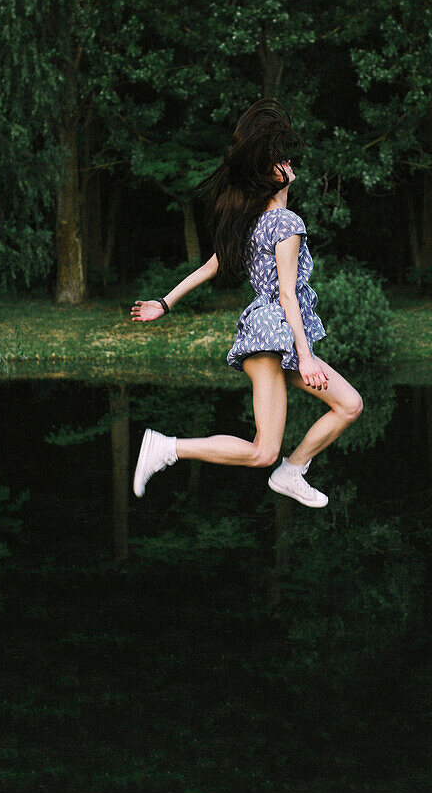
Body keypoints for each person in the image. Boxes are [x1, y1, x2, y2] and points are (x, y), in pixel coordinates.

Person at [130, 97, 364, 507]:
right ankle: (167, 448)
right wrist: (306, 357)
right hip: (275, 334)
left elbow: (209, 267)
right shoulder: (286, 223)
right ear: (272, 179)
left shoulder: (254, 222)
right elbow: (287, 294)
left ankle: (292, 472)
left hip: (270, 335)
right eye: (279, 163)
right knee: (262, 452)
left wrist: (164, 303)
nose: (288, 165)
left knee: (349, 404)